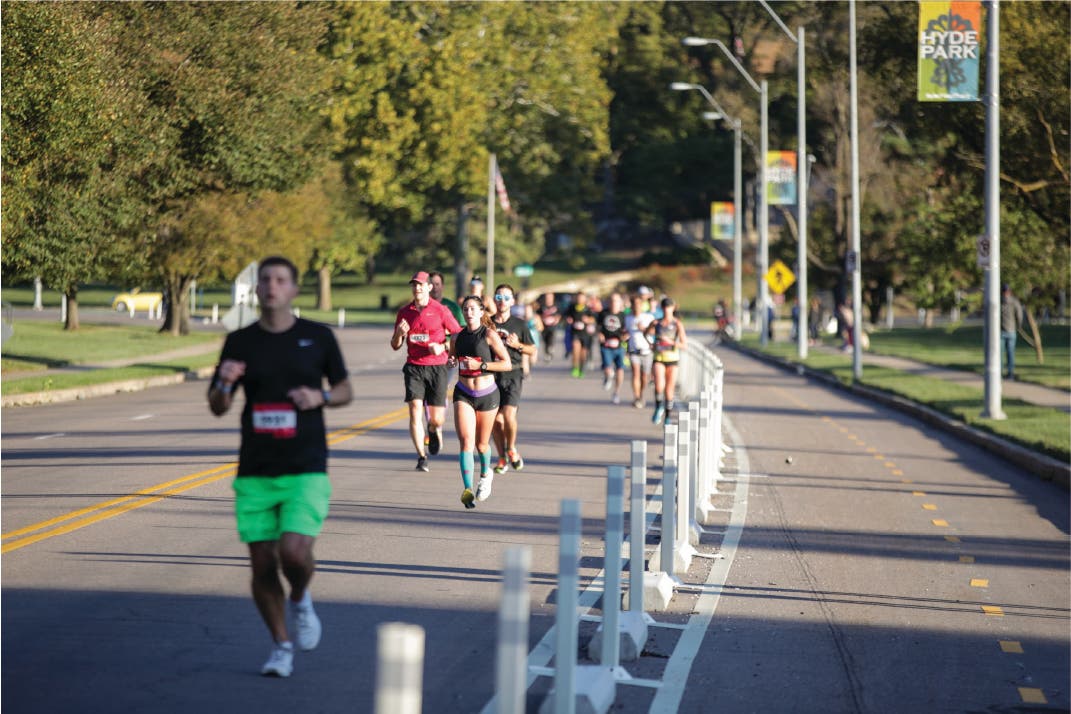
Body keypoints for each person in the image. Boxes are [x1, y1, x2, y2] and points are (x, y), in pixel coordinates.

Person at [208, 255, 353, 679]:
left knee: (293, 552)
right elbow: (217, 406)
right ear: (256, 289)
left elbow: (344, 389)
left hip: (306, 465)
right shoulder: (240, 341)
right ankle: (281, 646)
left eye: (280, 280)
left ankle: (301, 598)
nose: (271, 286)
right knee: (261, 565)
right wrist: (224, 382)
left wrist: (321, 397)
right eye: (265, 280)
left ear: (293, 289)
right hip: (255, 469)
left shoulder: (317, 337)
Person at [390, 271, 463, 472]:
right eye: (414, 285)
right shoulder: (405, 312)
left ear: (429, 287)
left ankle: (433, 429)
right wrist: (399, 334)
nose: (417, 288)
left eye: (421, 284)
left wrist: (443, 346)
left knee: (436, 419)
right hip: (414, 367)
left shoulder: (441, 310)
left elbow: (458, 335)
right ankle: (421, 457)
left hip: (437, 367)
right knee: (415, 410)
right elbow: (395, 345)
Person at [451, 294, 511, 507]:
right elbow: (453, 358)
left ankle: (486, 475)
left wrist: (481, 366)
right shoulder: (456, 337)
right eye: (465, 309)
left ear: (481, 312)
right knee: (466, 442)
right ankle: (467, 489)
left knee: (482, 444)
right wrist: (452, 361)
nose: (468, 313)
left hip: (487, 395)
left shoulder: (489, 335)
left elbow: (506, 364)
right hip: (463, 393)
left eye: (472, 309)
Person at [490, 284, 536, 473]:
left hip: (513, 374)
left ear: (513, 302)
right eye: (499, 297)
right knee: (496, 421)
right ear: (494, 299)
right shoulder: (487, 323)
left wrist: (517, 345)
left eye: (506, 297)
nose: (502, 301)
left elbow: (532, 349)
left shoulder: (519, 324)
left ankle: (511, 448)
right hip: (491, 376)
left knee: (508, 416)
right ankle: (502, 458)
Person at [647, 296, 687, 425]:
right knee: (659, 385)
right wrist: (651, 344)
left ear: (673, 308)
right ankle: (659, 407)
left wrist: (671, 342)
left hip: (672, 359)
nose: (666, 310)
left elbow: (684, 344)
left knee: (669, 389)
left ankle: (668, 416)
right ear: (662, 308)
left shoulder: (677, 324)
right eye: (664, 307)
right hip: (658, 357)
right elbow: (646, 333)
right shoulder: (656, 323)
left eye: (669, 307)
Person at [625, 293, 655, 408]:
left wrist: (644, 329)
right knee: (635, 373)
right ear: (631, 305)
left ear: (642, 305)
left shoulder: (648, 317)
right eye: (634, 304)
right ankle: (636, 397)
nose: (636, 306)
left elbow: (655, 332)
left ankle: (641, 394)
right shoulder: (627, 318)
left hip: (646, 350)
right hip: (634, 350)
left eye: (638, 304)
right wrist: (624, 337)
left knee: (644, 377)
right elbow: (625, 333)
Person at [597, 292, 628, 404]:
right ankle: (608, 377)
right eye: (612, 300)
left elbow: (627, 330)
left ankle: (616, 392)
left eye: (616, 301)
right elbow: (598, 327)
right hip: (606, 346)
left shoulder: (623, 316)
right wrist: (599, 334)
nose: (614, 303)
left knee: (620, 369)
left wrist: (626, 336)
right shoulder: (603, 313)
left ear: (620, 303)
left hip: (619, 346)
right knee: (607, 367)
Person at [566, 291, 595, 378]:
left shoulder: (587, 308)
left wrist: (588, 320)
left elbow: (593, 319)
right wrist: (569, 320)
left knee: (583, 353)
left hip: (585, 334)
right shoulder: (572, 307)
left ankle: (581, 368)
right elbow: (566, 316)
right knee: (575, 349)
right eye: (578, 297)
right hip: (575, 333)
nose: (579, 299)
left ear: (585, 299)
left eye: (581, 298)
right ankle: (575, 367)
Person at [1001, 284, 1024, 380]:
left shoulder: (1000, 301)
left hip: (1004, 331)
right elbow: (1019, 315)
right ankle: (1009, 373)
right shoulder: (1015, 302)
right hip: (1010, 331)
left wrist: (1018, 326)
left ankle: (1005, 373)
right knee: (1008, 353)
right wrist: (1018, 326)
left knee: (1002, 353)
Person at [536, 292, 561, 363]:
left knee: (551, 339)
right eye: (547, 298)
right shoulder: (542, 307)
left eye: (550, 297)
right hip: (544, 327)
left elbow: (559, 315)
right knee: (545, 341)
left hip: (552, 327)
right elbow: (538, 315)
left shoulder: (556, 306)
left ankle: (550, 349)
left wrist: (557, 319)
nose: (548, 299)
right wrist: (540, 321)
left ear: (552, 298)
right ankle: (547, 353)